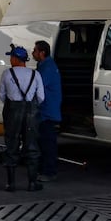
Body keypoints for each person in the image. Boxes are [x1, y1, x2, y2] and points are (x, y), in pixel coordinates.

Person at [0, 45, 45, 192]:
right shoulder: (35, 74)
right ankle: (32, 183)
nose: (10, 59)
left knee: (11, 146)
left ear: (15, 58)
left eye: (11, 57)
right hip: (31, 113)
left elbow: (2, 96)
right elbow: (41, 97)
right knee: (31, 147)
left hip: (13, 112)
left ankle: (10, 184)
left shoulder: (7, 74)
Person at [32, 40, 62, 182]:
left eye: (35, 51)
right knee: (44, 142)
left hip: (47, 112)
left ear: (42, 53)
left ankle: (49, 172)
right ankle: (43, 169)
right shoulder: (45, 65)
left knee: (47, 143)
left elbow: (37, 86)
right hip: (46, 110)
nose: (33, 53)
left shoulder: (47, 68)